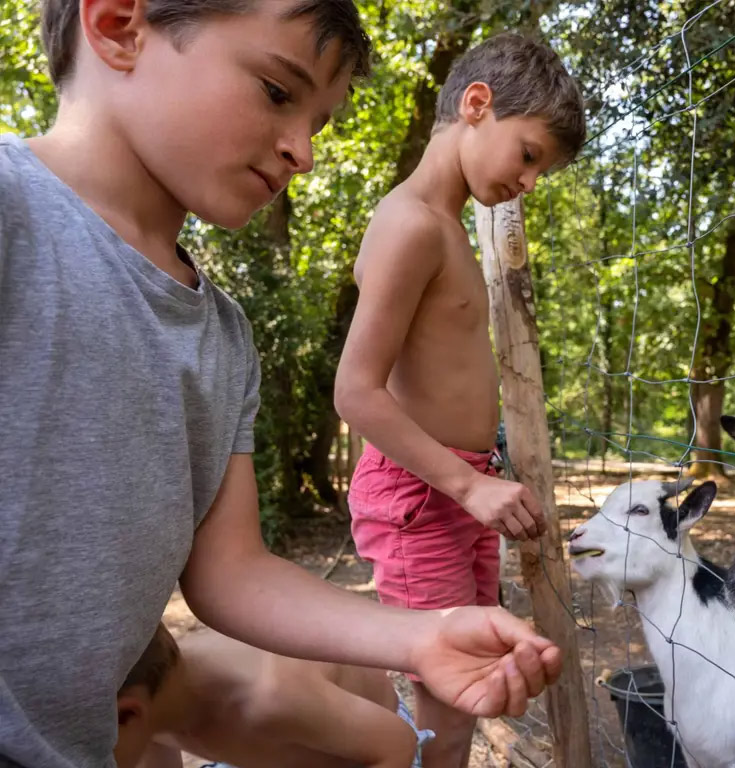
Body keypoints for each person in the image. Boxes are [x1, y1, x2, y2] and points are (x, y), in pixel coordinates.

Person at [0, 4, 562, 767]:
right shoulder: (15, 218)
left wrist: (422, 636)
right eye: (274, 91)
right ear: (120, 25)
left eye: (320, 125)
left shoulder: (222, 337)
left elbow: (231, 572)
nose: (303, 153)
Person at [333, 33, 585, 767]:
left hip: (458, 488)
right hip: (422, 496)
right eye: (530, 154)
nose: (531, 181)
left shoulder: (445, 227)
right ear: (477, 106)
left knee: (470, 689)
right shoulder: (412, 224)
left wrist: (481, 473)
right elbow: (355, 390)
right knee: (448, 705)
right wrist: (467, 483)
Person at [114, 623, 433, 768]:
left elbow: (396, 745)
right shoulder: (148, 715)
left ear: (128, 715)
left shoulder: (270, 698)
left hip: (369, 751)